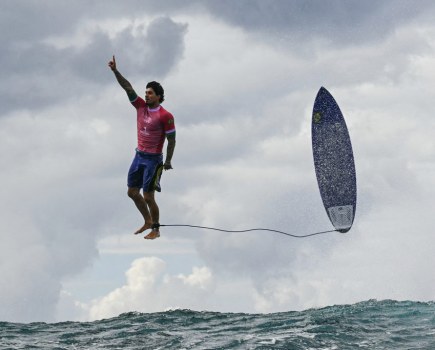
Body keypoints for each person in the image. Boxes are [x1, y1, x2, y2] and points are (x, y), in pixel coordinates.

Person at [108, 55, 176, 240]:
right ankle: (147, 220)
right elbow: (128, 87)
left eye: (150, 93)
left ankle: (156, 228)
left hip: (153, 160)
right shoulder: (140, 106)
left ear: (159, 97)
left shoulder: (165, 115)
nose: (146, 95)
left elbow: (172, 140)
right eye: (146, 92)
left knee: (148, 196)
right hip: (139, 156)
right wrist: (115, 71)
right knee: (131, 192)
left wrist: (168, 161)